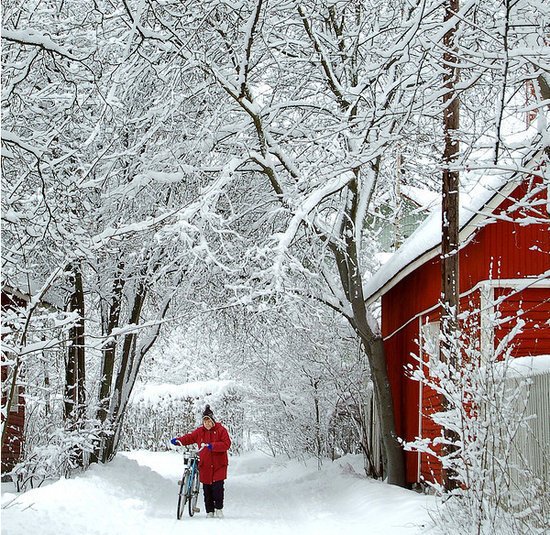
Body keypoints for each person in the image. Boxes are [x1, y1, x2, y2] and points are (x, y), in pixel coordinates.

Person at [171, 405, 231, 519]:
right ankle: (209, 511)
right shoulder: (200, 432)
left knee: (218, 488)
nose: (207, 424)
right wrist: (179, 441)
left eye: (209, 421)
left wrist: (212, 446)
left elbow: (226, 444)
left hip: (219, 465)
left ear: (213, 421)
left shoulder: (221, 430)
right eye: (205, 421)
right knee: (207, 489)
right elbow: (189, 438)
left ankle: (218, 508)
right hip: (206, 465)